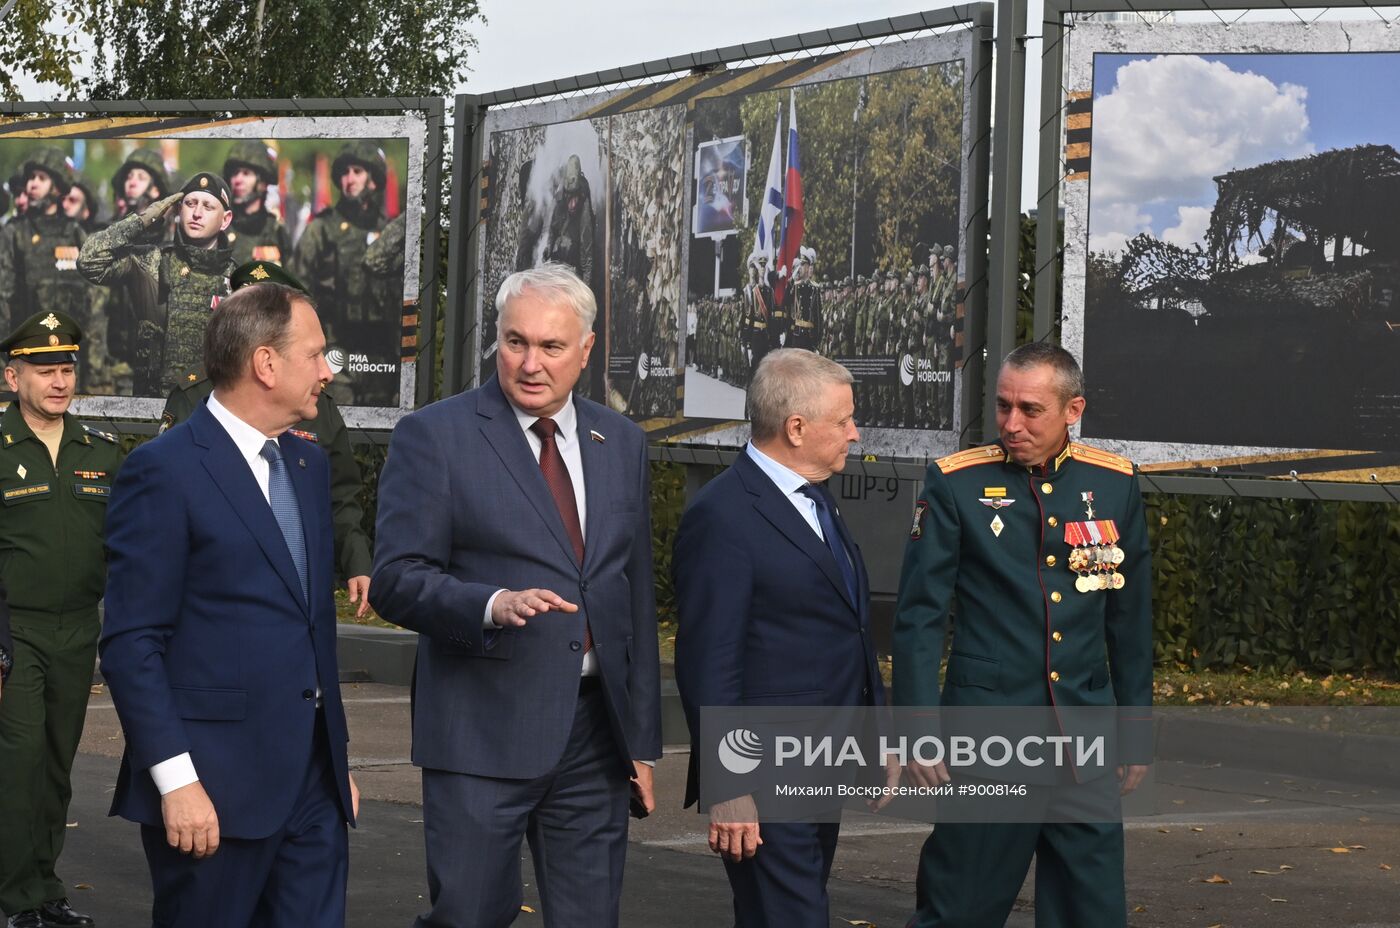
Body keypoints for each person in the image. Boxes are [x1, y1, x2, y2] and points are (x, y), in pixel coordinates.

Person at [370, 262, 661, 928]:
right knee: (469, 916)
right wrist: (488, 604)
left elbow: (630, 599)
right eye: (515, 341)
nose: (531, 363)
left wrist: (639, 742)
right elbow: (395, 578)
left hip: (593, 736)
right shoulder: (436, 436)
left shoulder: (620, 442)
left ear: (586, 350)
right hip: (479, 729)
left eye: (551, 346)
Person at [100, 282, 357, 927]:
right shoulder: (164, 470)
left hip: (313, 790)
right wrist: (176, 781)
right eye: (316, 354)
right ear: (265, 364)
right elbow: (133, 642)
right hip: (210, 796)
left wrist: (335, 762)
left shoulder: (308, 463)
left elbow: (310, 625)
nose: (328, 373)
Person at [892, 342, 1153, 928]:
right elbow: (919, 617)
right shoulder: (956, 483)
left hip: (1084, 741)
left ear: (1073, 410)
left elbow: (1128, 618)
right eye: (1003, 406)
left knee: (1093, 914)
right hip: (990, 742)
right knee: (960, 909)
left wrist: (1134, 728)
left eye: (1030, 409)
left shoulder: (1114, 483)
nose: (1011, 424)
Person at [672, 348, 888, 928]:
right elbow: (707, 663)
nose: (854, 431)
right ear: (796, 428)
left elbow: (848, 633)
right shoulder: (725, 515)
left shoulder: (814, 498)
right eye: (843, 420)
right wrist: (730, 785)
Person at [0, 311, 124, 928]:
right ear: (11, 376)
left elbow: (127, 541)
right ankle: (18, 893)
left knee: (56, 760)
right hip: (12, 632)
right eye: (44, 370)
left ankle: (44, 887)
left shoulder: (99, 448)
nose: (58, 381)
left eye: (66, 368)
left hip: (79, 630)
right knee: (18, 761)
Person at [161, 261, 372, 614]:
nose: (326, 373)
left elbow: (340, 497)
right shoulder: (191, 402)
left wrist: (357, 560)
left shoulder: (318, 416)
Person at [78, 172, 236, 395]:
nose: (197, 213)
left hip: (210, 408)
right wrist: (141, 220)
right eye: (190, 204)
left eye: (208, 207)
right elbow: (89, 262)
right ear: (179, 209)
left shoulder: (236, 279)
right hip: (152, 407)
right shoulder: (153, 260)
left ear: (226, 220)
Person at [290, 141, 387, 354]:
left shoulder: (389, 230)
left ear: (373, 180)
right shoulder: (321, 228)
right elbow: (294, 287)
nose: (349, 179)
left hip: (382, 353)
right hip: (334, 349)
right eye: (344, 172)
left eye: (357, 172)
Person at [0, 148, 88, 337]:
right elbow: (3, 299)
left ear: (56, 187)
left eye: (41, 178)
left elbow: (92, 302)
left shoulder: (75, 234)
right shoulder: (14, 232)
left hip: (68, 351)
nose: (32, 184)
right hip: (26, 350)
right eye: (31, 177)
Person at [222, 140, 290, 267]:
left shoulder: (275, 231)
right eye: (235, 173)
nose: (238, 180)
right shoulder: (222, 227)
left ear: (263, 183)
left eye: (246, 173)